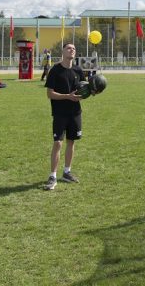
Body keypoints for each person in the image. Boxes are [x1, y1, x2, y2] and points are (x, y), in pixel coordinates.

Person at [44, 43, 86, 190]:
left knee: (71, 142)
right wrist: (68, 96)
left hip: (75, 112)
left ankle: (67, 172)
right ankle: (52, 176)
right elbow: (49, 94)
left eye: (74, 48)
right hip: (60, 113)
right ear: (62, 51)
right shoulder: (55, 70)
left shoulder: (78, 70)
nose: (72, 50)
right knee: (58, 143)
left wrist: (92, 91)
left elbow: (83, 90)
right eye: (69, 48)